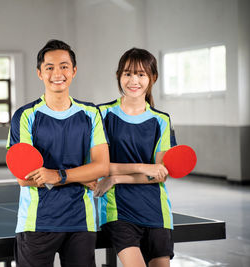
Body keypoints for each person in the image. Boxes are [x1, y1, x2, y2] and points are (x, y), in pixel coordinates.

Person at [6, 39, 109, 267]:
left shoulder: (91, 113)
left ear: (74, 70)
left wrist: (56, 175)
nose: (57, 73)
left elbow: (102, 167)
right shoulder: (25, 116)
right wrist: (81, 176)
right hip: (37, 222)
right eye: (49, 67)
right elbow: (24, 178)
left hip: (81, 222)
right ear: (39, 73)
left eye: (64, 66)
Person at [95, 48, 176, 267]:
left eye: (141, 74)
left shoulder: (162, 121)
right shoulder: (101, 114)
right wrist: (143, 167)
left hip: (156, 210)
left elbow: (159, 175)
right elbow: (97, 166)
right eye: (128, 73)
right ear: (118, 76)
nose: (134, 80)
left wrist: (116, 178)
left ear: (153, 78)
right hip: (118, 210)